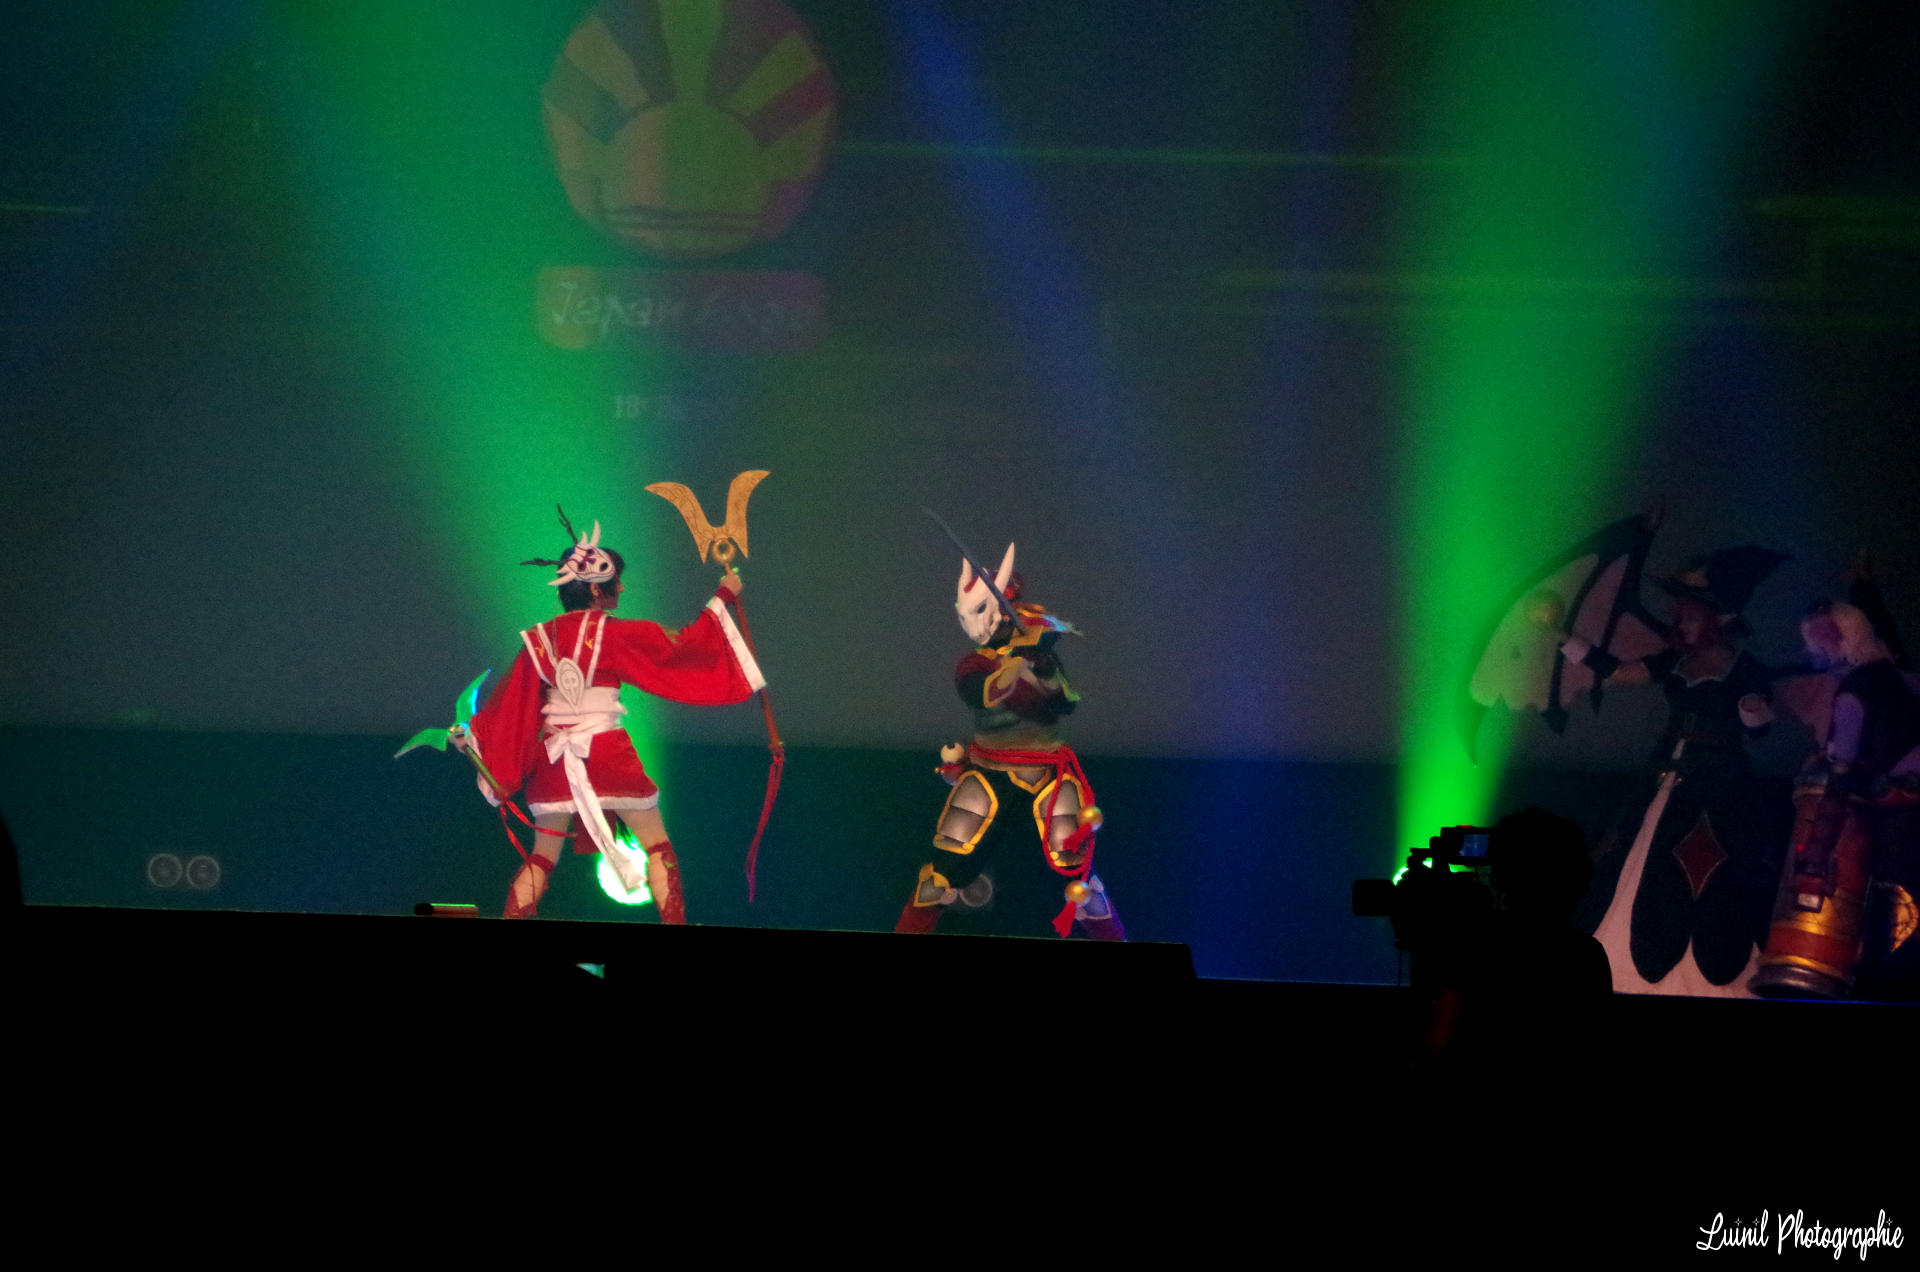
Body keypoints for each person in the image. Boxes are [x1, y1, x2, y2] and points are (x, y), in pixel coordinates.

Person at [457, 512, 765, 920]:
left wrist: (474, 734)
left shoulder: (538, 641)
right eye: (616, 581)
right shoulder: (615, 632)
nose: (622, 587)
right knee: (657, 846)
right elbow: (681, 648)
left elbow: (511, 706)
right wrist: (723, 595)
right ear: (596, 589)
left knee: (542, 858)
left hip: (554, 764)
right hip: (606, 756)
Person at [1564, 545, 1789, 994]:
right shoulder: (1677, 662)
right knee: (1636, 855)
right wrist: (1560, 636)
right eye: (1680, 616)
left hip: (1719, 788)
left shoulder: (1747, 670)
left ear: (1720, 620)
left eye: (1690, 616)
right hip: (1663, 777)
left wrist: (1753, 712)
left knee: (1710, 870)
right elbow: (1616, 672)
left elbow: (1761, 731)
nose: (1680, 624)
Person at [894, 543, 1123, 939]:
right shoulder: (975, 663)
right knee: (938, 877)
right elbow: (982, 693)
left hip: (1047, 769)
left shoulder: (1038, 653)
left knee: (1080, 879)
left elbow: (1066, 703)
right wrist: (1013, 669)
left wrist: (1043, 666)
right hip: (990, 769)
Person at [1756, 589, 1920, 999]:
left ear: (1843, 641)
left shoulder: (1853, 695)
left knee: (1895, 896)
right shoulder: (1901, 679)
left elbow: (1840, 767)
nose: (1818, 651)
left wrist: (1819, 842)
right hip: (1905, 805)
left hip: (1899, 813)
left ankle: (1891, 986)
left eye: (1822, 642)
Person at [1422, 808, 1612, 1084]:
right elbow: (1594, 1047)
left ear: (1502, 869)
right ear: (1574, 875)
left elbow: (1440, 1042)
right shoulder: (1586, 952)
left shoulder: (1472, 941)